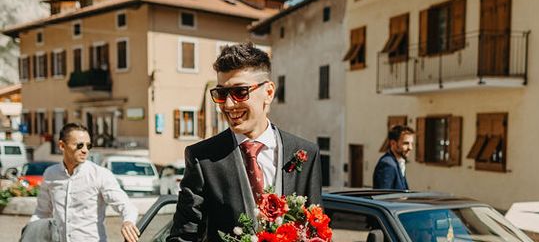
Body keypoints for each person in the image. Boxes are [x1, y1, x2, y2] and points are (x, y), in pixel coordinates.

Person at [169, 42, 322, 242]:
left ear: (268, 92)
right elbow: (184, 237)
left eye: (240, 92)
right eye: (222, 93)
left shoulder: (304, 153)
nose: (229, 104)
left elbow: (315, 229)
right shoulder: (202, 158)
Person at [28, 122, 139, 242]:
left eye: (88, 146)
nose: (85, 150)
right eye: (79, 145)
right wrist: (28, 234)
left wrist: (128, 222)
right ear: (62, 145)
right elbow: (42, 213)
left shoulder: (100, 175)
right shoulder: (50, 174)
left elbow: (126, 206)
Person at [373, 124, 415, 190]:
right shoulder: (387, 164)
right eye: (406, 143)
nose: (410, 148)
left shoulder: (399, 161)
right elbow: (382, 196)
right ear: (393, 143)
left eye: (412, 144)